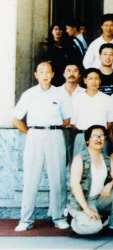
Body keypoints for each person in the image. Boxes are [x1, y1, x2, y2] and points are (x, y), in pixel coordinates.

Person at [12, 61, 72, 231]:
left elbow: (66, 119)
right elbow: (16, 118)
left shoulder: (61, 94)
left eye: (48, 72)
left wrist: (51, 127)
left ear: (53, 74)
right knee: (31, 177)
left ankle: (59, 216)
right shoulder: (29, 94)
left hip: (55, 134)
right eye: (41, 72)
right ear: (36, 75)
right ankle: (26, 219)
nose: (45, 75)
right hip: (34, 135)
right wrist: (29, 132)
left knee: (58, 177)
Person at [66, 125, 113, 235]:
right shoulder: (80, 159)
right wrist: (87, 209)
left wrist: (110, 185)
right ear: (88, 140)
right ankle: (74, 222)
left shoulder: (106, 159)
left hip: (98, 199)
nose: (99, 139)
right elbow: (75, 185)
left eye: (102, 136)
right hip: (82, 202)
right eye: (94, 136)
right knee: (94, 228)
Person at [70, 68, 113, 156]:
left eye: (96, 78)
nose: (93, 81)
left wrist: (98, 133)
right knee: (79, 166)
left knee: (101, 166)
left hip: (100, 138)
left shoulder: (107, 99)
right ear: (85, 80)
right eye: (90, 78)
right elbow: (73, 123)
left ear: (100, 81)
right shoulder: (76, 99)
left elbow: (110, 122)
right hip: (82, 137)